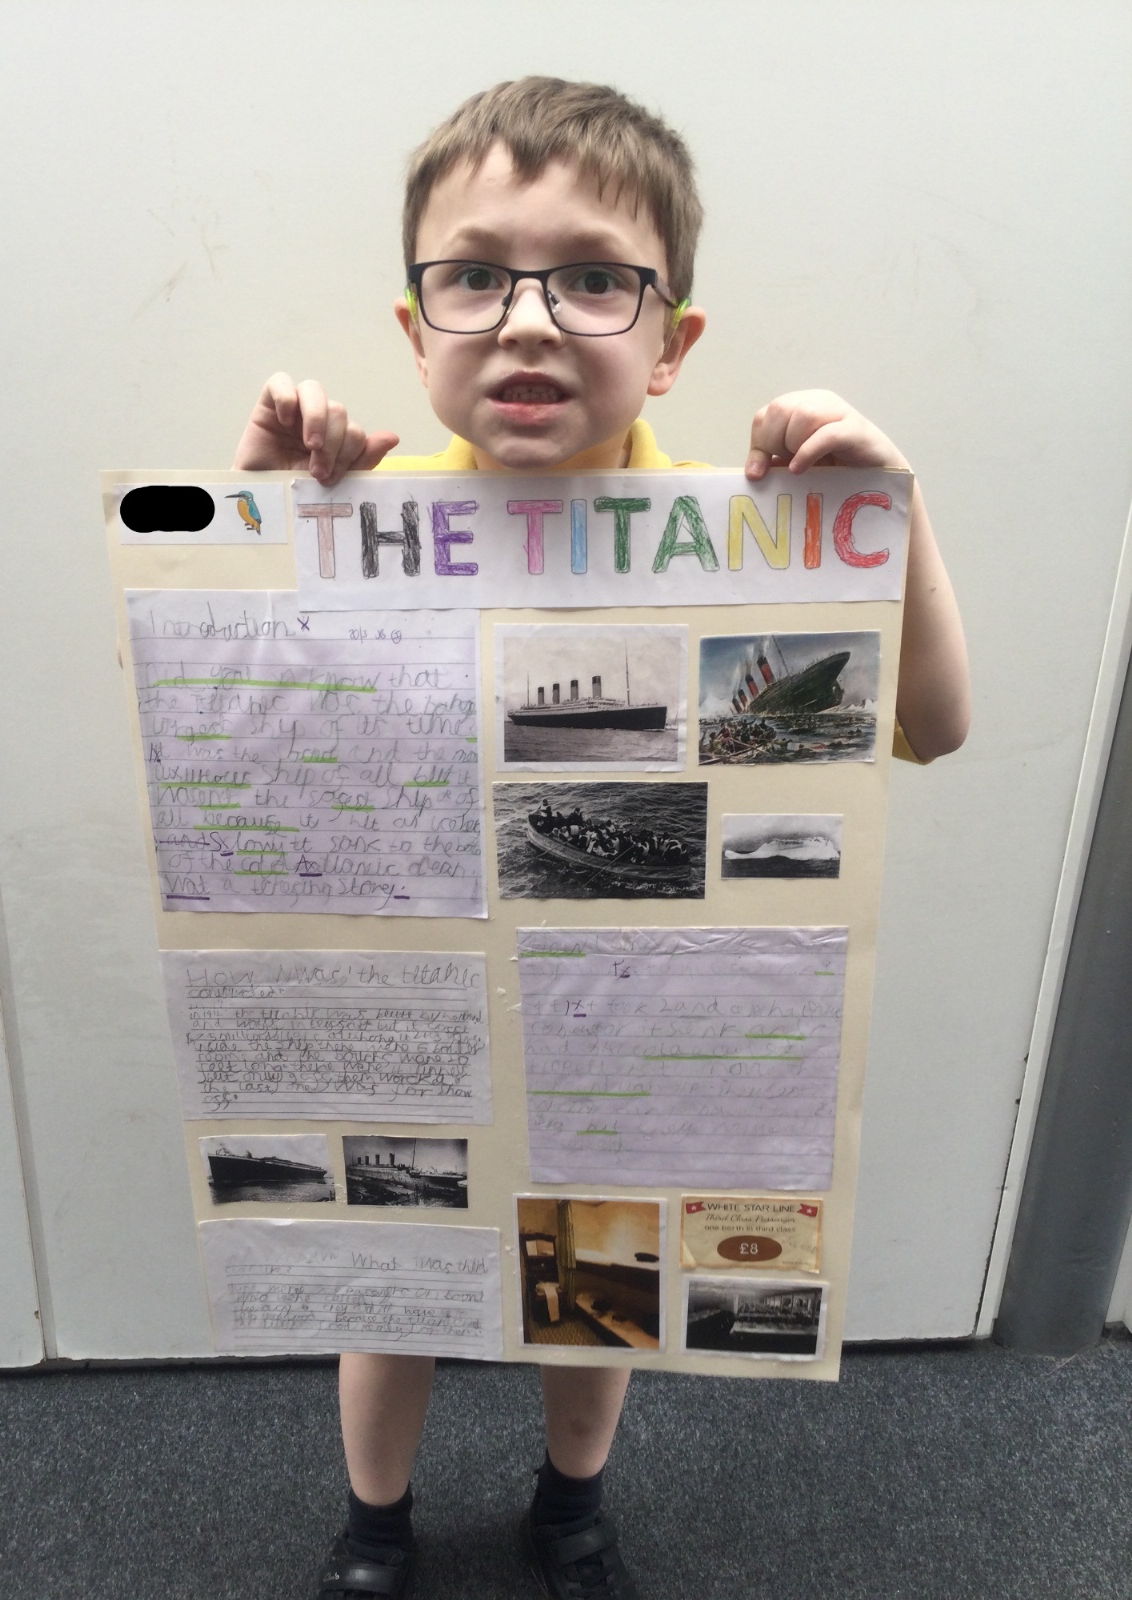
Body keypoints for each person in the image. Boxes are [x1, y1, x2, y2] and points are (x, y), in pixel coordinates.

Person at [233, 76, 970, 1600]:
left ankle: (571, 1505)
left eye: (591, 279)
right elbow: (219, 734)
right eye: (475, 276)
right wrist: (255, 511)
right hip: (414, 1011)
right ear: (416, 329)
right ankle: (375, 1525)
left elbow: (936, 724)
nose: (528, 320)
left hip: (619, 1019)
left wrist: (892, 520)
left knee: (599, 1281)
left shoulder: (750, 538)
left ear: (671, 341)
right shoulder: (353, 513)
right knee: (392, 1285)